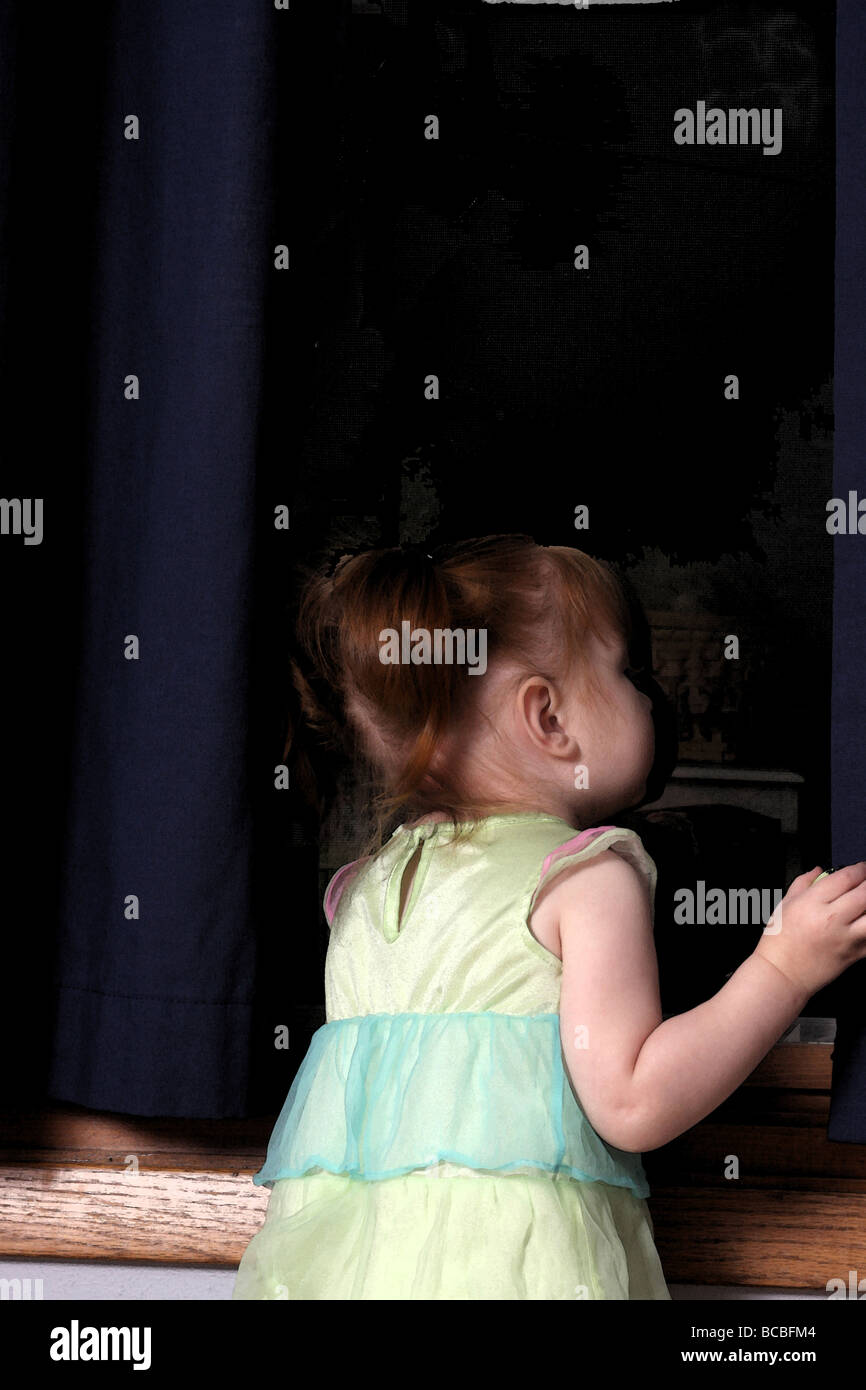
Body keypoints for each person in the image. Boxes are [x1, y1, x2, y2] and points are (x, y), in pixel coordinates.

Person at [232, 534, 866, 1300]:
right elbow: (633, 1100)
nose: (645, 693)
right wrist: (783, 968)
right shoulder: (583, 876)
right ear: (550, 719)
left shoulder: (364, 892)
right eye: (628, 671)